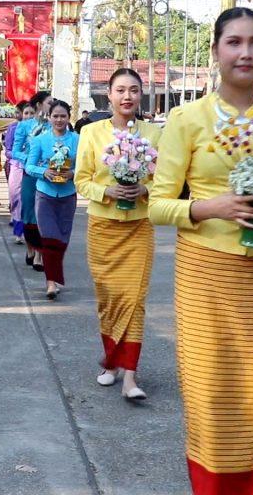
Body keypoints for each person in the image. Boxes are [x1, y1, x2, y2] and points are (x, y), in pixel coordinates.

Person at [148, 7, 253, 495]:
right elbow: (159, 205)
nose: (246, 52)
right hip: (204, 273)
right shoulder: (186, 119)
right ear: (216, 50)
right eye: (234, 42)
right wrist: (210, 207)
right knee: (210, 395)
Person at [74, 68, 162, 400]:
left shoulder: (155, 134)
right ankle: (111, 361)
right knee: (109, 299)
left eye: (134, 90)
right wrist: (107, 191)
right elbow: (80, 180)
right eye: (121, 90)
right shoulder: (92, 133)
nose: (127, 96)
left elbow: (163, 181)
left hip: (139, 226)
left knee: (135, 300)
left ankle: (130, 377)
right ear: (108, 95)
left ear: (141, 96)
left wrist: (143, 189)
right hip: (103, 227)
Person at [25, 100, 79, 300]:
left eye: (63, 116)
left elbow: (84, 165)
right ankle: (51, 282)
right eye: (55, 116)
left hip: (67, 195)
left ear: (68, 117)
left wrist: (72, 173)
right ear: (49, 117)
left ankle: (54, 276)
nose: (59, 120)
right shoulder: (40, 140)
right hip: (45, 195)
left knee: (62, 239)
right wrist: (43, 172)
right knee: (49, 238)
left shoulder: (77, 140)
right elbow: (29, 167)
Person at [13, 91, 54, 271]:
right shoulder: (24, 126)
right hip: (30, 175)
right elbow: (15, 151)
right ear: (39, 105)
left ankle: (40, 254)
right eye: (49, 102)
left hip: (49, 176)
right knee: (29, 214)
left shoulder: (54, 126)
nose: (52, 105)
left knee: (44, 214)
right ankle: (31, 247)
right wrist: (31, 159)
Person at [4, 101, 31, 244]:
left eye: (32, 113)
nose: (29, 116)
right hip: (17, 167)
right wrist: (22, 156)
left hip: (33, 170)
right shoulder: (14, 128)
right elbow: (8, 151)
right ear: (21, 114)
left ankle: (28, 232)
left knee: (29, 201)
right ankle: (18, 231)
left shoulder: (42, 129)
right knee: (16, 198)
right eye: (26, 113)